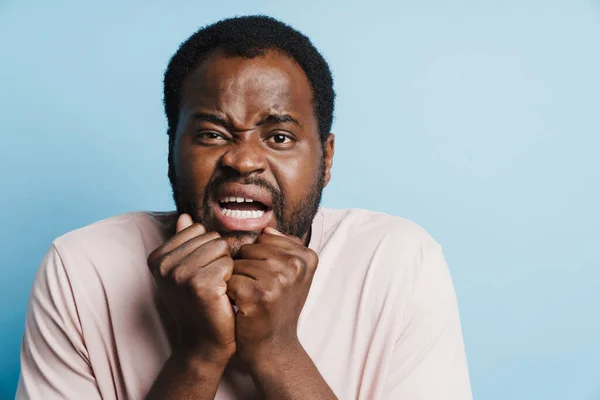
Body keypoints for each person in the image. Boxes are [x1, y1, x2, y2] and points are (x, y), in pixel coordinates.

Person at [16, 15, 472, 400]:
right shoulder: (81, 268)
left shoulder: (398, 262)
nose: (244, 160)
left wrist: (277, 350)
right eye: (213, 134)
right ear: (171, 150)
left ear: (326, 158)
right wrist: (198, 354)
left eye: (279, 137)